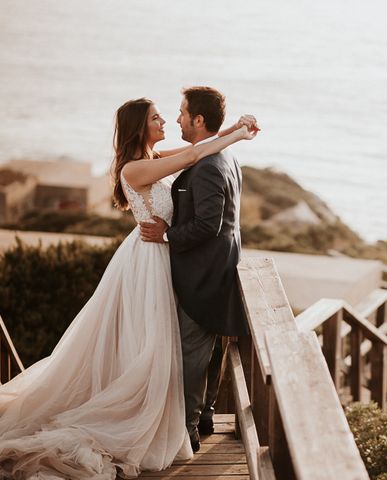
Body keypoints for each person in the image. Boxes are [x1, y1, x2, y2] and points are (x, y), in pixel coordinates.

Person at [0, 97, 258, 479]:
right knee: (151, 342)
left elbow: (199, 146)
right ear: (141, 126)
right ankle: (151, 416)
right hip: (149, 258)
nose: (166, 120)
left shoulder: (153, 156)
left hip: (162, 253)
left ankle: (171, 415)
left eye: (170, 115)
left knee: (157, 343)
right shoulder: (135, 168)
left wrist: (236, 128)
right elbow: (192, 157)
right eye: (157, 117)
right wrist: (237, 134)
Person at [139, 86, 249, 453]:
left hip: (202, 277)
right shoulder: (222, 156)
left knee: (191, 357)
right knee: (207, 352)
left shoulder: (207, 168)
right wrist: (235, 130)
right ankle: (204, 415)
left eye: (182, 112)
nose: (177, 118)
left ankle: (186, 433)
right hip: (216, 271)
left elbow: (208, 226)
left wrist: (168, 235)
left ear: (198, 120)